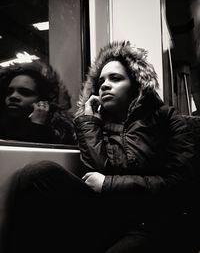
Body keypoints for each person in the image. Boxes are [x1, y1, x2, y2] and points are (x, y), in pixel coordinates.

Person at [1, 41, 194, 253]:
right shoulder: (94, 123)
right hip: (106, 214)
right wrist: (89, 123)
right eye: (101, 80)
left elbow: (179, 184)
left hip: (149, 220)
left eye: (116, 78)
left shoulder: (166, 118)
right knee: (38, 173)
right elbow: (97, 172)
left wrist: (108, 184)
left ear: (136, 84)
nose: (104, 85)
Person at [0, 61, 75, 144]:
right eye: (9, 92)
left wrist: (37, 126)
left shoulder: (60, 131)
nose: (13, 96)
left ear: (43, 100)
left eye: (25, 92)